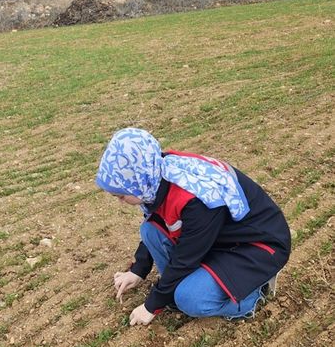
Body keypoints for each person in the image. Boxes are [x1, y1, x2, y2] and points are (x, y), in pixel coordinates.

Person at [95, 128, 291, 326]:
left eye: (121, 195)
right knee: (150, 230)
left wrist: (151, 306)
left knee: (190, 300)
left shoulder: (197, 201)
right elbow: (157, 220)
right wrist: (138, 269)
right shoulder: (156, 175)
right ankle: (176, 288)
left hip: (257, 247)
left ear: (139, 180)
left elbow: (185, 258)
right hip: (218, 240)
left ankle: (252, 295)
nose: (120, 201)